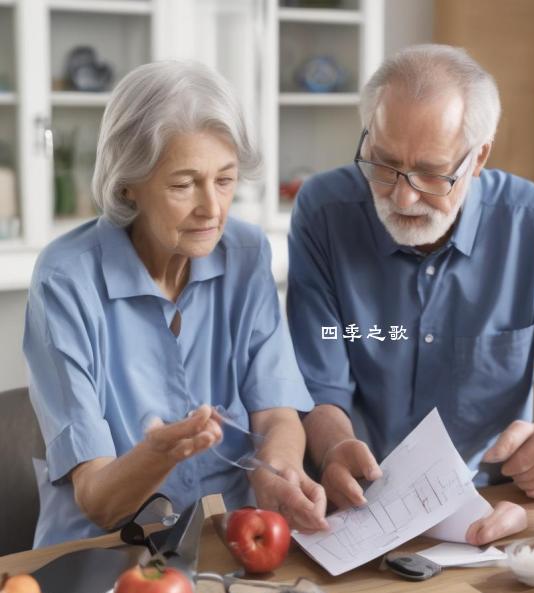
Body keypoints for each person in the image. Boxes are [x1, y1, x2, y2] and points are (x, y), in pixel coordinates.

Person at [286, 44, 534, 545]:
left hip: (490, 514)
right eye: (384, 163)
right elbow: (318, 383)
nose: (402, 196)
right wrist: (334, 449)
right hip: (355, 510)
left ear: (478, 156)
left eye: (432, 173)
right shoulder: (325, 211)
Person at [24, 61, 328, 547]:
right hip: (104, 553)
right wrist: (159, 455)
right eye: (184, 185)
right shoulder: (67, 280)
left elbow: (277, 414)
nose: (212, 208)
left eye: (225, 180)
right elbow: (98, 501)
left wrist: (278, 470)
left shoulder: (246, 255)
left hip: (230, 538)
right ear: (128, 183)